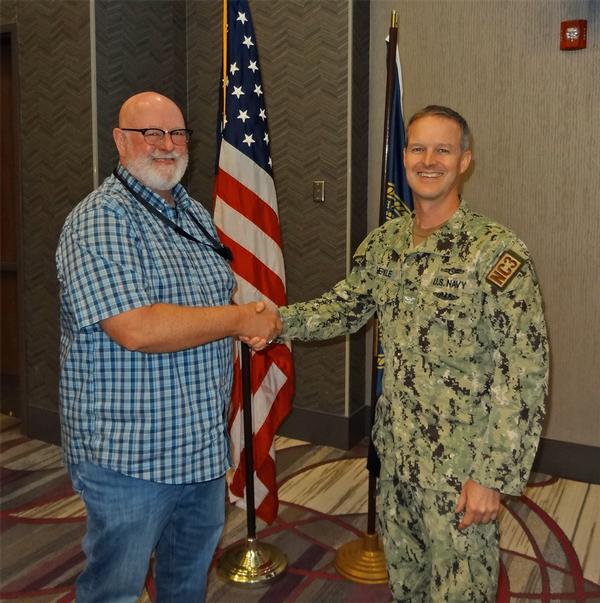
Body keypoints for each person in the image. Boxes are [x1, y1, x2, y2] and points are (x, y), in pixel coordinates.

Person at [259, 106, 549, 601]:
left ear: (465, 161)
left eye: (443, 149)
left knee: (460, 593)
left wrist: (491, 477)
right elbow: (346, 307)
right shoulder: (385, 244)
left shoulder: (495, 252)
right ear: (405, 156)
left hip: (460, 471)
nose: (428, 160)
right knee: (407, 587)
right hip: (395, 459)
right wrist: (276, 321)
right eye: (418, 148)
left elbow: (523, 374)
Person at [55, 91, 281, 602]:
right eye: (150, 133)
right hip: (129, 457)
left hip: (199, 449)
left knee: (185, 582)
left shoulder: (193, 214)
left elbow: (208, 303)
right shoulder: (100, 220)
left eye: (177, 134)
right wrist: (241, 318)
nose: (167, 145)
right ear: (120, 140)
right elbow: (137, 328)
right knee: (115, 588)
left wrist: (247, 318)